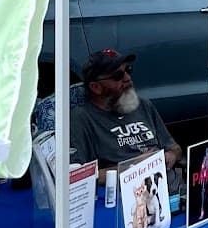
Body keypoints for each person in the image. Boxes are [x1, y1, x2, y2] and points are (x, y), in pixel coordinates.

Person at [70, 49, 184, 192]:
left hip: (173, 189)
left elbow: (175, 148)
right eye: (118, 76)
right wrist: (132, 168)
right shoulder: (82, 118)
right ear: (96, 87)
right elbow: (78, 177)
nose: (127, 78)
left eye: (128, 70)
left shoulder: (143, 105)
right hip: (132, 199)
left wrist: (171, 155)